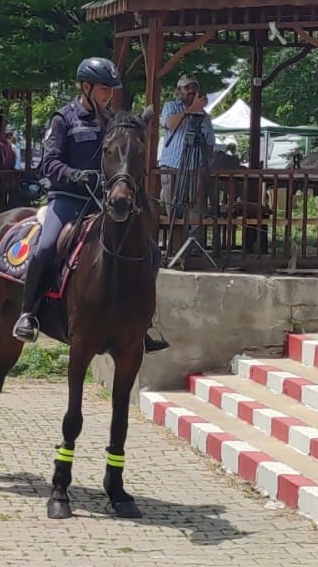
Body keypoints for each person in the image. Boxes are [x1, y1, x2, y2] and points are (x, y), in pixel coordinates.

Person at [13, 57, 168, 353]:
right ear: (86, 87)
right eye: (103, 89)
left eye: (111, 90)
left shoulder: (113, 121)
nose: (108, 94)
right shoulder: (64, 119)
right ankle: (28, 313)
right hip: (68, 199)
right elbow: (49, 163)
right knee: (46, 247)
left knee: (150, 251)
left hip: (102, 202)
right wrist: (75, 174)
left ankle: (140, 324)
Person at [158, 74, 214, 209]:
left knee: (195, 216)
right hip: (171, 168)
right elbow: (170, 124)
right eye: (186, 87)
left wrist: (204, 164)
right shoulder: (170, 106)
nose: (190, 91)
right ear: (178, 91)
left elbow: (210, 143)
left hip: (194, 170)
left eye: (194, 87)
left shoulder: (205, 116)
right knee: (174, 213)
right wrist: (192, 109)